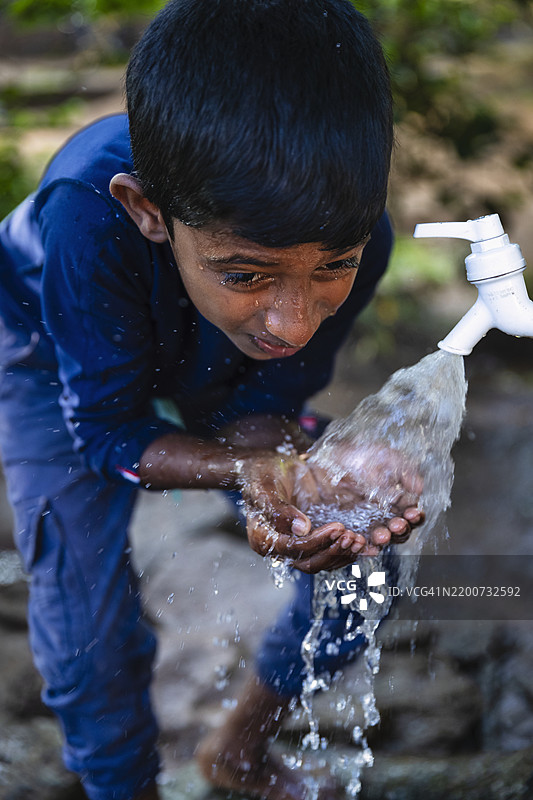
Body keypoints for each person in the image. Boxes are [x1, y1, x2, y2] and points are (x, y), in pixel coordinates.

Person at [0, 1, 423, 798]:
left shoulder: (358, 235)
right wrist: (250, 468)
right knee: (86, 614)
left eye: (331, 268)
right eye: (248, 273)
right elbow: (104, 435)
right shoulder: (87, 216)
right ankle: (120, 786)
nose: (294, 322)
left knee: (364, 550)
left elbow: (267, 402)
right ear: (147, 211)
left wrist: (293, 472)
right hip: (49, 351)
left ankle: (238, 748)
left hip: (207, 349)